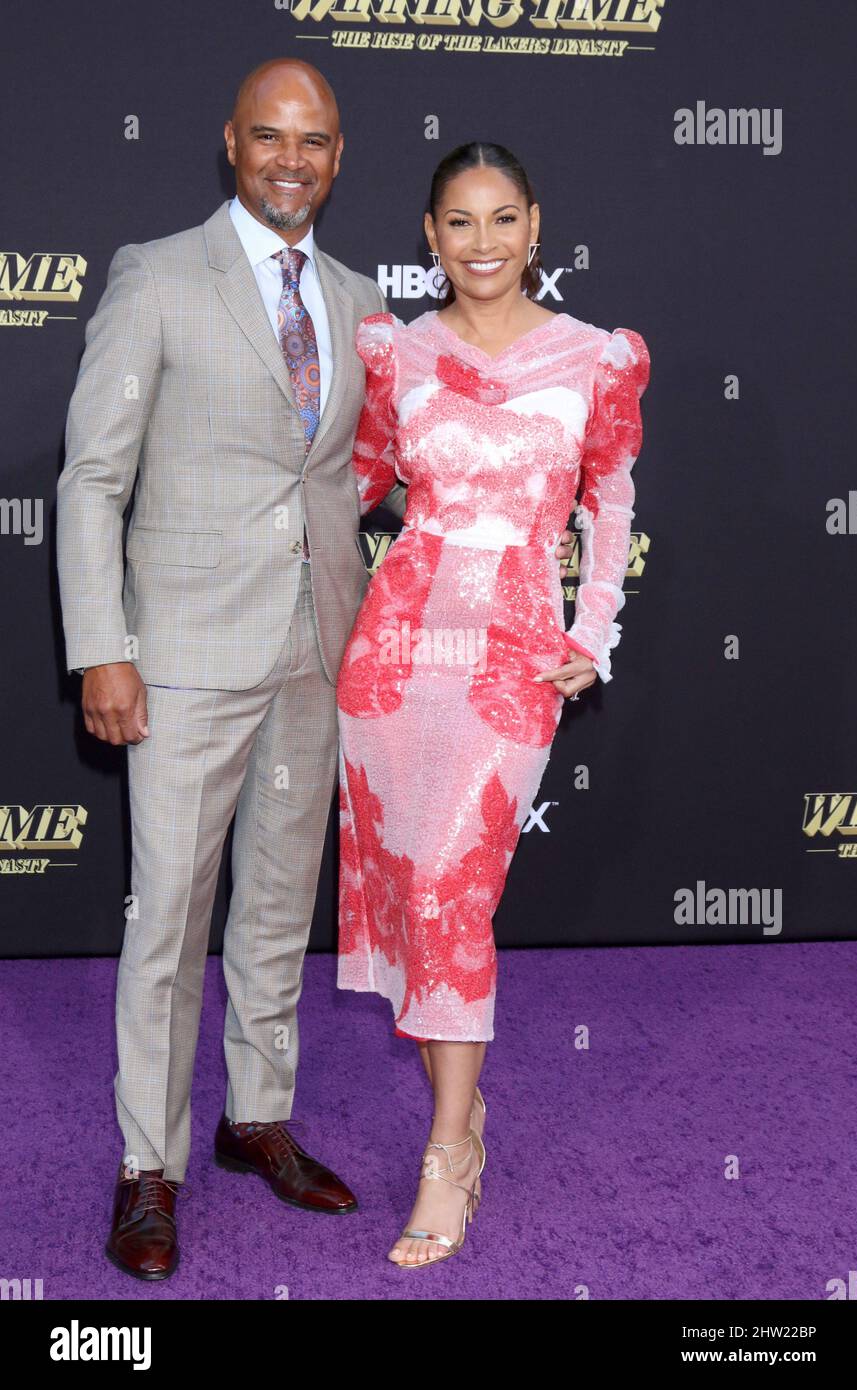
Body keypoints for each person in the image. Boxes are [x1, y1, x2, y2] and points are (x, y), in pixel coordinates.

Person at [55, 58, 412, 1281]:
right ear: (229, 144)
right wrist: (104, 645)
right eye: (268, 137)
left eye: (311, 141)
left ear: (338, 154)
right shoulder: (156, 273)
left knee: (275, 905)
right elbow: (94, 477)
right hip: (186, 654)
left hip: (317, 646)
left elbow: (370, 473)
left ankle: (255, 1114)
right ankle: (145, 1165)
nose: (289, 159)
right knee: (167, 916)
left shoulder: (363, 299)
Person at [335, 141, 651, 1268]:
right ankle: (463, 1121)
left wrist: (591, 628)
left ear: (534, 227)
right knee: (409, 890)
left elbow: (607, 498)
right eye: (458, 223)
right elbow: (352, 480)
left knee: (453, 891)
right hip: (394, 654)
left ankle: (443, 1153)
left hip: (510, 653)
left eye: (501, 219)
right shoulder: (394, 353)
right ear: (429, 236)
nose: (481, 243)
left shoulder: (592, 357)